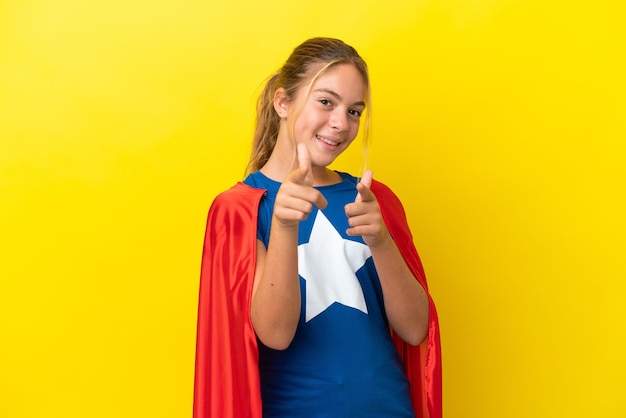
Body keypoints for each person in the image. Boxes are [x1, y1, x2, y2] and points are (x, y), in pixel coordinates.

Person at [193, 37, 441, 418]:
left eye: (355, 111)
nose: (342, 123)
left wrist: (380, 240)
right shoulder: (242, 209)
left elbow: (415, 329)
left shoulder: (375, 200)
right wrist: (284, 225)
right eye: (326, 102)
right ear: (283, 102)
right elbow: (275, 333)